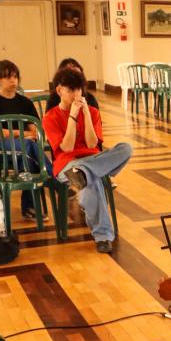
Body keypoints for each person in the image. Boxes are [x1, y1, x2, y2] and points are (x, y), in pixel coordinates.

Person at [42, 67, 132, 254]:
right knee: (93, 183)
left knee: (126, 148)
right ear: (59, 91)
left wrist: (86, 115)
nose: (76, 94)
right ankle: (103, 237)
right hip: (67, 164)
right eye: (71, 90)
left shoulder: (92, 111)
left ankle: (85, 173)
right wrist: (73, 116)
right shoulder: (50, 117)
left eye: (79, 89)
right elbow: (66, 147)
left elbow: (92, 143)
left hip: (91, 158)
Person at [0, 60, 51, 220]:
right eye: (8, 77)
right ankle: (53, 178)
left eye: (15, 77)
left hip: (24, 149)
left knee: (27, 156)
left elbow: (35, 131)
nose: (13, 81)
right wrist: (22, 133)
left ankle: (30, 207)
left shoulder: (24, 102)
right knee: (28, 146)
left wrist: (12, 133)